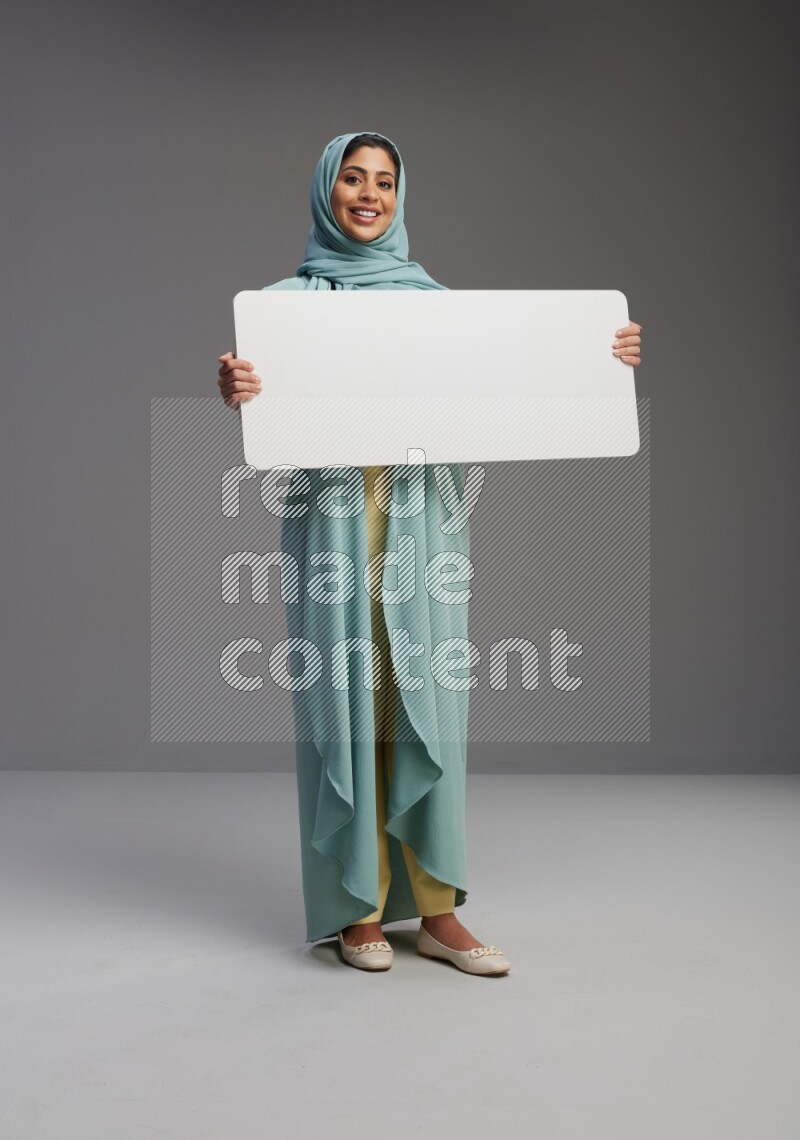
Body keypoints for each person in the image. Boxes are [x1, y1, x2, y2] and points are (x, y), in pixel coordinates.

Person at [217, 131, 643, 976]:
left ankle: (440, 911)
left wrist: (602, 357)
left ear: (400, 197)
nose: (368, 195)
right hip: (332, 530)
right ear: (326, 191)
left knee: (427, 708)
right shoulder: (283, 307)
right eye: (353, 179)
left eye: (384, 182)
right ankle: (359, 911)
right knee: (348, 708)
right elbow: (258, 395)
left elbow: (522, 381)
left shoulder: (438, 305)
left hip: (426, 529)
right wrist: (236, 387)